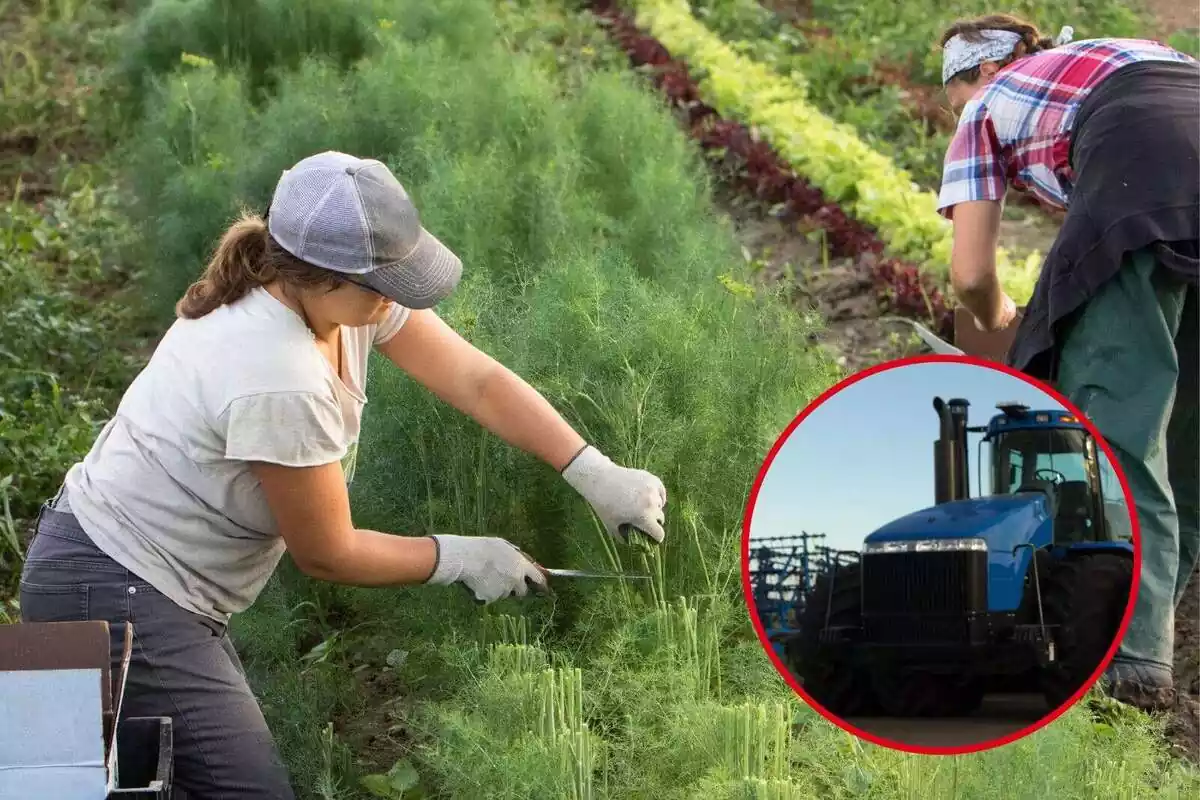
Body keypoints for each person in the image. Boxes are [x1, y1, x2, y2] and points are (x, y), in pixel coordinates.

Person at [17, 151, 668, 798]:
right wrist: (462, 558)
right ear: (321, 275)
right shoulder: (279, 373)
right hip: (115, 587)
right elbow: (328, 552)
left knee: (146, 783)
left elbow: (477, 380)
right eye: (383, 285)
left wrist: (592, 469)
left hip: (142, 580)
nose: (395, 300)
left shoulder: (339, 301)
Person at [934, 14, 1199, 711]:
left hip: (1144, 176)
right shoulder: (1110, 57)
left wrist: (1002, 326)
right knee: (1189, 439)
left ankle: (1127, 661)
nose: (955, 114)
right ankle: (1150, 621)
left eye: (951, 97)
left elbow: (969, 277)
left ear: (980, 74)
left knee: (1114, 429)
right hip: (1173, 154)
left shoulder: (987, 105)